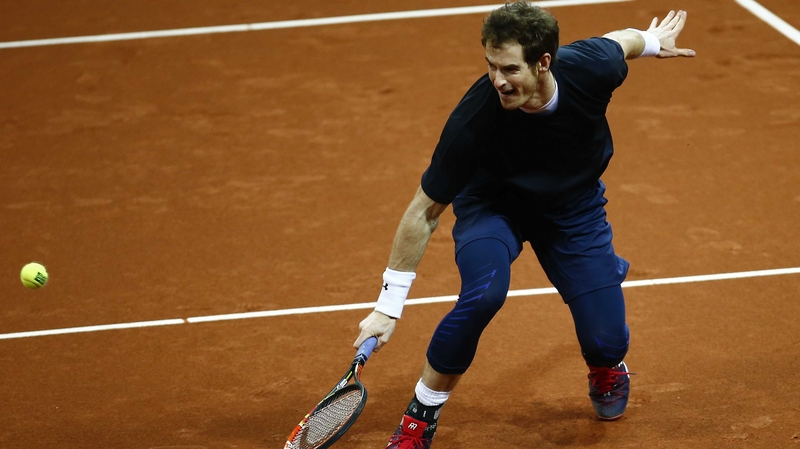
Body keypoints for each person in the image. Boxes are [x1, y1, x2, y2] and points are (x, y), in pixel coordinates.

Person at [352, 2, 695, 447]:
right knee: (483, 295)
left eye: (509, 68)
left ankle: (605, 344)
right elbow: (424, 210)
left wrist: (653, 43)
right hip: (494, 208)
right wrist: (388, 305)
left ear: (544, 62)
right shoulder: (476, 117)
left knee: (607, 341)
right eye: (491, 66)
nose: (498, 80)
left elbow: (622, 41)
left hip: (573, 209)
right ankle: (419, 417)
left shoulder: (590, 68)